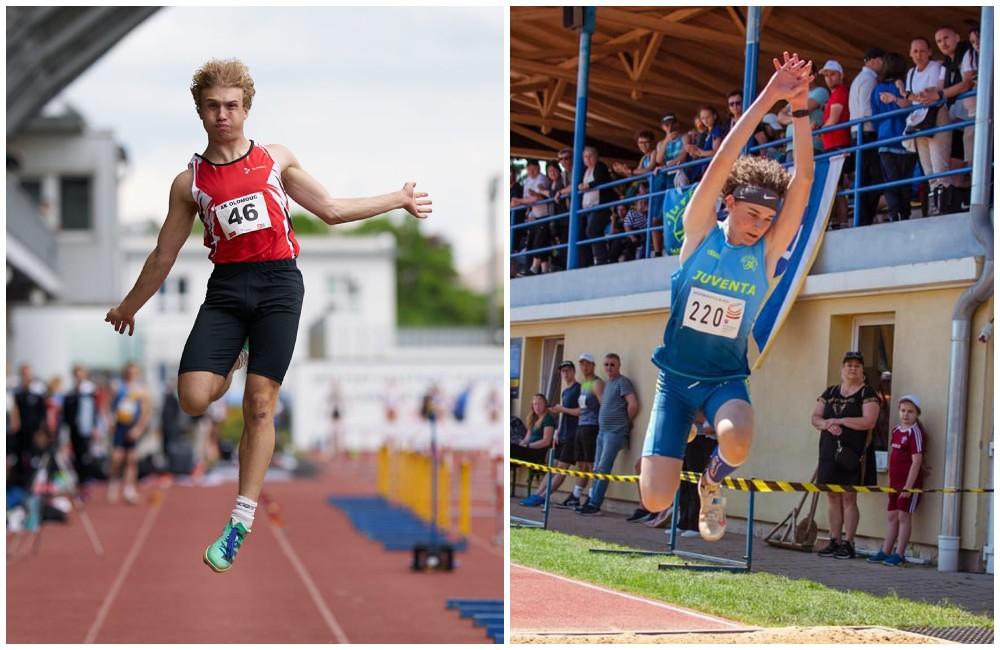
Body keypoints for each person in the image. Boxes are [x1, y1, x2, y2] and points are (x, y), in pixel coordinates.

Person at [103, 58, 432, 573]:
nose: (222, 115)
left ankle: (240, 519)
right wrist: (130, 306)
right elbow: (163, 255)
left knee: (261, 405)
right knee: (192, 398)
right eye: (212, 106)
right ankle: (235, 355)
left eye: (231, 106)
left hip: (280, 284)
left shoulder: (275, 159)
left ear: (247, 108)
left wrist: (399, 199)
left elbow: (331, 210)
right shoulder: (188, 183)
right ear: (200, 111)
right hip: (228, 290)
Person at [639, 52, 817, 542]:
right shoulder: (699, 234)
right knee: (654, 498)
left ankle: (711, 481)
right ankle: (687, 430)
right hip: (674, 382)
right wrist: (770, 96)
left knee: (737, 441)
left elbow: (803, 181)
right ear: (730, 203)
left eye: (767, 222)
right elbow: (723, 161)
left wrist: (799, 110)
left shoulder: (767, 255)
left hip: (723, 381)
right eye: (751, 216)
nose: (759, 228)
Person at [811, 351, 880, 560]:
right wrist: (826, 424)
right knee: (832, 496)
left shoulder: (867, 393)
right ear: (842, 369)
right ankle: (834, 540)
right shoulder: (830, 391)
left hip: (854, 453)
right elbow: (815, 417)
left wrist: (840, 421)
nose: (852, 368)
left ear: (862, 371)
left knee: (849, 497)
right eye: (848, 365)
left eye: (857, 365)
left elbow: (869, 421)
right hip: (829, 451)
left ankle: (848, 543)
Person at [577, 353, 638, 516]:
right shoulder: (608, 384)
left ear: (618, 366)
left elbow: (633, 404)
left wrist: (626, 422)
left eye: (612, 364)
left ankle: (595, 504)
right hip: (602, 432)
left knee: (603, 467)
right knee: (597, 467)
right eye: (606, 365)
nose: (609, 368)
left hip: (615, 432)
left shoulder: (623, 382)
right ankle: (591, 500)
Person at [868, 394, 925, 567]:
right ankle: (886, 550)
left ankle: (899, 554)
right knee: (892, 516)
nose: (906, 415)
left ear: (917, 414)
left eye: (910, 411)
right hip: (894, 484)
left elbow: (917, 461)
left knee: (903, 516)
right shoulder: (896, 430)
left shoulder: (915, 432)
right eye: (903, 410)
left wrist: (908, 487)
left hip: (908, 484)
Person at [519, 361, 581, 507]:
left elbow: (580, 412)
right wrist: (558, 432)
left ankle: (543, 498)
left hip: (573, 434)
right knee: (553, 466)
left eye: (568, 370)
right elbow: (563, 414)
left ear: (573, 372)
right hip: (563, 434)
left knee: (562, 469)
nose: (565, 374)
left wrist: (561, 410)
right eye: (563, 371)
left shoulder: (579, 388)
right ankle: (536, 494)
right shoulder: (565, 391)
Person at [873, 52, 919, 222]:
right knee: (906, 180)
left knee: (891, 182)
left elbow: (874, 116)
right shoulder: (907, 87)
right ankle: (905, 214)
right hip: (907, 138)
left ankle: (894, 216)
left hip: (885, 140)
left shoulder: (877, 90)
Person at [848, 48, 886, 226]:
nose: (882, 64)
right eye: (880, 60)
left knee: (863, 178)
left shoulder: (858, 80)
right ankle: (866, 216)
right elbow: (866, 109)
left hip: (856, 131)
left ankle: (863, 218)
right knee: (875, 177)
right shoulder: (869, 80)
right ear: (872, 60)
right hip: (867, 131)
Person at [108, 362, 151, 505]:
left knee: (131, 459)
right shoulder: (117, 386)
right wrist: (110, 421)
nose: (131, 374)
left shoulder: (141, 390)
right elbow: (109, 406)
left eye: (134, 372)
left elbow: (146, 411)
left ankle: (129, 489)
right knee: (116, 458)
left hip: (133, 426)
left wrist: (139, 429)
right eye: (129, 372)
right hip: (120, 426)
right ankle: (113, 484)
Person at [564, 352, 603, 508]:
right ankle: (576, 495)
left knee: (592, 464)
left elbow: (603, 405)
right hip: (581, 426)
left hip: (592, 427)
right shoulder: (584, 384)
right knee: (581, 464)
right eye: (582, 364)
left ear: (593, 365)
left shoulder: (597, 382)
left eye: (587, 364)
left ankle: (592, 496)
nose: (584, 367)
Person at [63, 366, 101, 489]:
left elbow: (96, 410)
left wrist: (96, 426)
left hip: (86, 428)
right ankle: (79, 479)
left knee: (87, 454)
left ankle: (87, 478)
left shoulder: (90, 391)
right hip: (74, 428)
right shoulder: (71, 392)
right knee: (76, 454)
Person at [509, 394, 556, 466]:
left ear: (545, 405)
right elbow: (528, 437)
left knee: (510, 449)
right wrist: (522, 443)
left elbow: (546, 441)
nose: (537, 407)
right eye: (535, 404)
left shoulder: (548, 419)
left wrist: (528, 446)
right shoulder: (533, 418)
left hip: (537, 453)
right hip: (528, 450)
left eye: (540, 404)